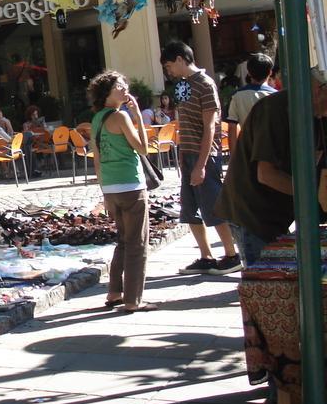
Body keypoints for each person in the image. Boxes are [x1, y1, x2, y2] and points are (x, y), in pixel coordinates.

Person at [216, 67, 327, 265]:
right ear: (319, 90)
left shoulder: (318, 115)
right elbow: (266, 174)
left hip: (278, 214)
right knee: (265, 283)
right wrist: (313, 194)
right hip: (252, 213)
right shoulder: (274, 109)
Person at [160, 40, 242, 274]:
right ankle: (206, 256)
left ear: (179, 59)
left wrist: (202, 164)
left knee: (213, 207)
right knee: (190, 209)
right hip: (187, 153)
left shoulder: (205, 84)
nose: (169, 71)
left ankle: (231, 254)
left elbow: (210, 127)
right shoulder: (182, 85)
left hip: (203, 155)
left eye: (168, 66)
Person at [89, 71, 155, 312]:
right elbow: (144, 149)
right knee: (137, 244)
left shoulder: (96, 119)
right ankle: (133, 300)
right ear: (107, 92)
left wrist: (104, 190)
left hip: (111, 187)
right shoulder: (121, 117)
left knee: (123, 241)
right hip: (131, 185)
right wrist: (137, 116)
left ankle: (114, 292)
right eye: (119, 85)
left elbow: (96, 158)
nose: (125, 87)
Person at [224, 53, 277, 153]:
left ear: (249, 72)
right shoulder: (275, 95)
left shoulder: (237, 96)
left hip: (247, 149)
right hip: (271, 149)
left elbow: (232, 127)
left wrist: (234, 156)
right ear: (270, 72)